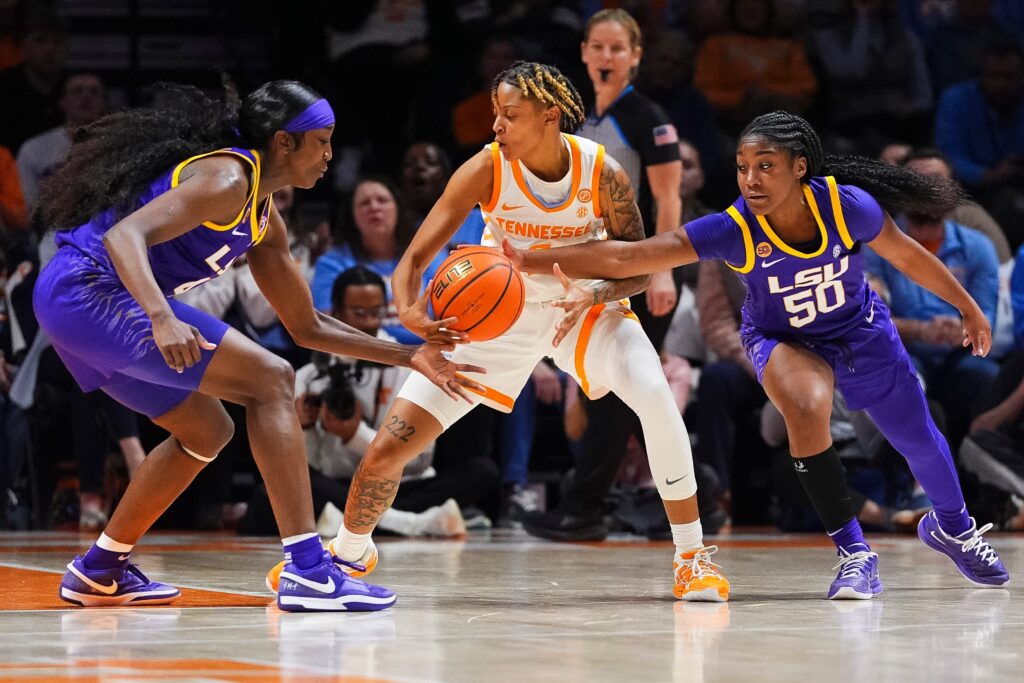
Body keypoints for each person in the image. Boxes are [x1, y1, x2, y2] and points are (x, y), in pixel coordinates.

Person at [267, 60, 731, 603]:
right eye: (495, 114)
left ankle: (692, 558)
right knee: (388, 449)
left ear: (550, 116)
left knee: (655, 395)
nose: (496, 126)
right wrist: (411, 310)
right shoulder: (485, 168)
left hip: (577, 308)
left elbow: (638, 267)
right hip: (495, 314)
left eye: (510, 115)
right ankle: (347, 554)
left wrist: (597, 293)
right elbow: (412, 260)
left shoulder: (603, 174)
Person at [506, 110, 1010, 599]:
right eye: (743, 167)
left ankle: (955, 529)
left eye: (766, 165)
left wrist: (967, 307)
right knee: (807, 406)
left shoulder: (847, 206)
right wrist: (528, 259)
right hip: (782, 338)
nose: (751, 178)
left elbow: (906, 254)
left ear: (799, 167)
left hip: (860, 331)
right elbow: (627, 257)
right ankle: (854, 554)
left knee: (918, 437)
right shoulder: (733, 227)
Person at [32, 79, 482, 612]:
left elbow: (307, 326)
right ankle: (310, 571)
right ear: (284, 142)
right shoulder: (226, 177)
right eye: (323, 140)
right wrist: (160, 317)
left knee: (207, 430)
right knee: (272, 380)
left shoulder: (264, 221)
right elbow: (122, 237)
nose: (330, 155)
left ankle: (100, 569)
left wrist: (409, 355)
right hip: (89, 289)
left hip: (80, 305)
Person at [522, 8, 688, 543]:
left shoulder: (649, 118)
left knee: (624, 389)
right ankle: (685, 498)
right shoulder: (570, 118)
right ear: (585, 53)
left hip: (641, 269)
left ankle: (584, 507)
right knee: (606, 389)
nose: (607, 57)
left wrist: (661, 272)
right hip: (588, 263)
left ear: (636, 56)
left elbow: (668, 200)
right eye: (599, 47)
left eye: (618, 49)